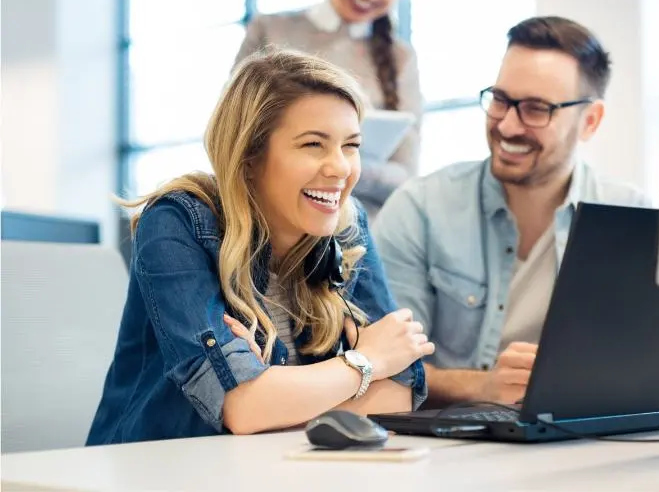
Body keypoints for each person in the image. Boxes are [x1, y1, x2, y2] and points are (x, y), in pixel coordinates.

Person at [86, 48, 432, 445]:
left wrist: (276, 393)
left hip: (272, 472)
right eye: (313, 145)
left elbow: (399, 393)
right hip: (149, 471)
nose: (340, 167)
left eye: (350, 145)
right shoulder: (176, 221)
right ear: (249, 155)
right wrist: (365, 361)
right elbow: (244, 408)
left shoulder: (346, 226)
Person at [371, 16, 649, 407]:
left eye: (536, 109)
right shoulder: (418, 209)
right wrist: (483, 387)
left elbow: (656, 367)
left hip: (589, 442)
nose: (508, 125)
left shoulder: (634, 218)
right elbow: (385, 366)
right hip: (452, 452)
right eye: (500, 100)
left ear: (589, 121)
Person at [233, 0, 426, 216]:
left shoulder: (401, 60)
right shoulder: (270, 31)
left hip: (360, 233)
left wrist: (328, 164)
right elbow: (234, 134)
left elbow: (405, 175)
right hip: (270, 221)